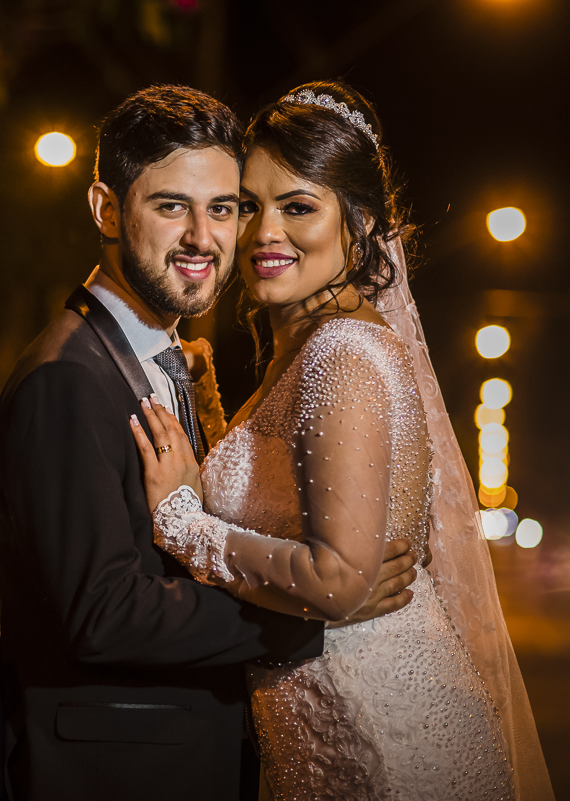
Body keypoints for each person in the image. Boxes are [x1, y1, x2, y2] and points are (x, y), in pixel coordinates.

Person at [0, 84, 419, 801]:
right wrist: (307, 621)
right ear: (105, 208)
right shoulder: (67, 379)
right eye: (170, 206)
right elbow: (106, 615)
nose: (204, 238)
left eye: (223, 209)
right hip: (117, 771)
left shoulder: (163, 360)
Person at [130, 81, 554, 800]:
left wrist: (181, 522)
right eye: (249, 206)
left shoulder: (342, 355)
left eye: (299, 207)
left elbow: (339, 578)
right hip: (334, 729)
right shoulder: (312, 346)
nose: (266, 233)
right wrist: (210, 409)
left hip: (378, 745)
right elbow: (295, 515)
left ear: (358, 222)